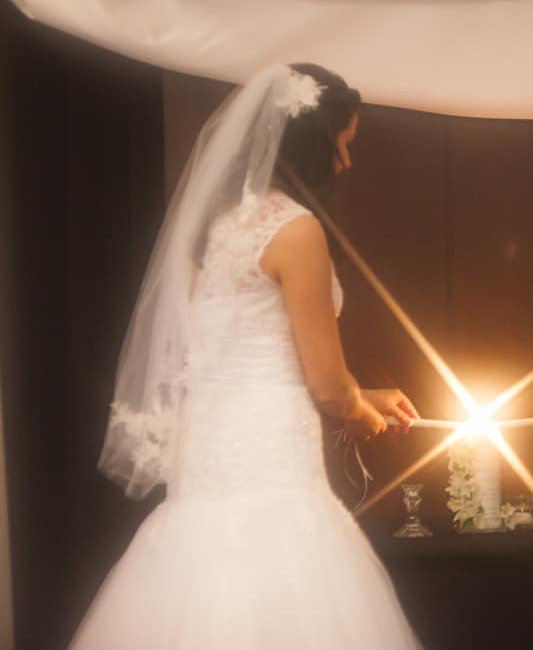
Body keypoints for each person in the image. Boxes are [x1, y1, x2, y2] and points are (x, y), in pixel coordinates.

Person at [70, 64, 423, 648]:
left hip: (207, 437)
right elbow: (329, 385)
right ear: (314, 139)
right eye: (344, 142)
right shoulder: (296, 230)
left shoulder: (210, 228)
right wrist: (360, 408)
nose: (346, 161)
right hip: (268, 444)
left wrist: (366, 394)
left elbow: (226, 344)